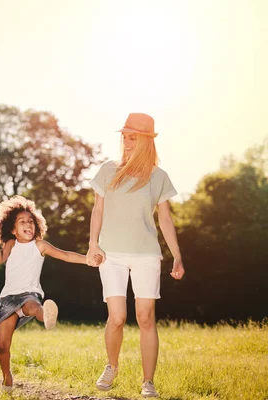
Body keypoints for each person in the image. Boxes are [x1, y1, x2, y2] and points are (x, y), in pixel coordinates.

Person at [86, 113, 185, 398]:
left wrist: (176, 255)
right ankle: (111, 366)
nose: (127, 143)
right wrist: (93, 244)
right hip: (111, 254)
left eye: (133, 138)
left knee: (145, 318)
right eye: (125, 137)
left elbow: (165, 220)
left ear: (146, 142)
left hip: (146, 255)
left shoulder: (158, 177)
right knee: (117, 317)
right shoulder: (108, 169)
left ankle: (148, 381)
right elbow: (98, 210)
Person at [0, 195, 101, 391]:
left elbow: (65, 255)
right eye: (22, 221)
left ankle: (46, 316)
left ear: (37, 225)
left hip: (30, 293)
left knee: (32, 306)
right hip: (8, 298)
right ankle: (7, 378)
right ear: (13, 229)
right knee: (2, 346)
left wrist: (87, 260)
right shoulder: (11, 244)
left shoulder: (39, 245)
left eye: (31, 221)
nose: (28, 224)